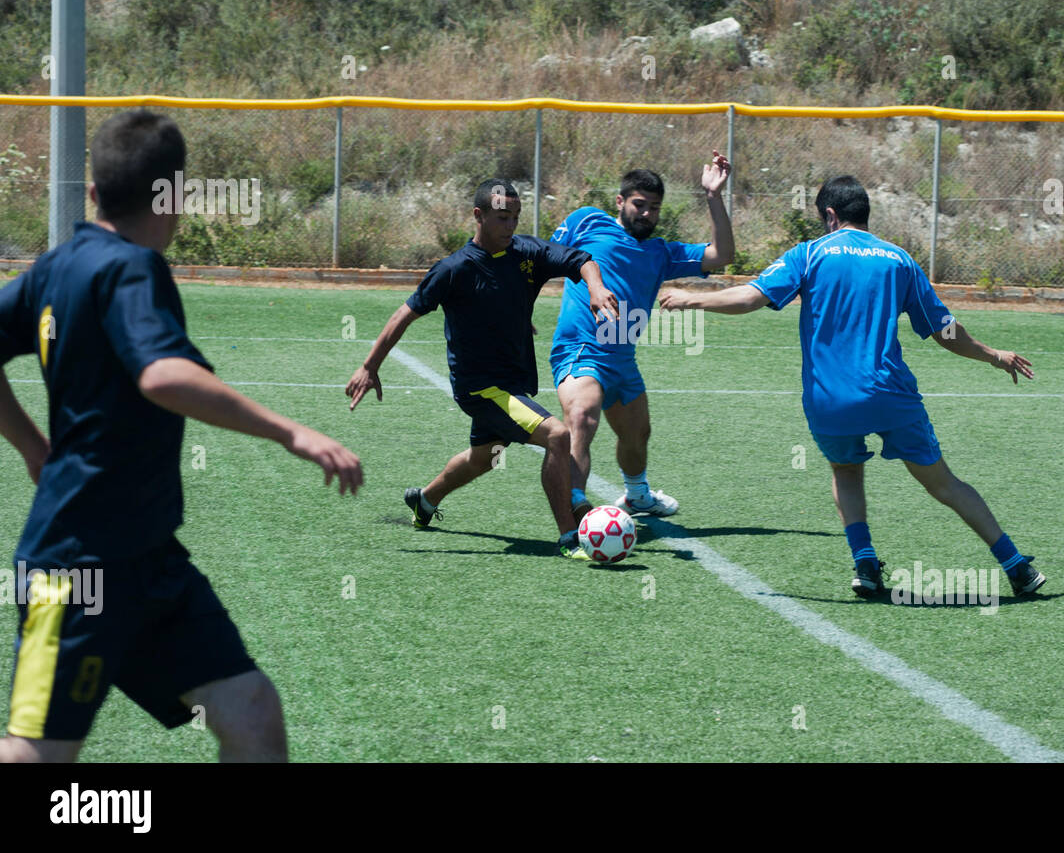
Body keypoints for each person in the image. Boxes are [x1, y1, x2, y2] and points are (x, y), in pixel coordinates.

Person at [0, 110, 363, 763]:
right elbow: (163, 374)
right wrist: (290, 432)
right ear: (174, 196)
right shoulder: (134, 269)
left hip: (148, 564)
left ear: (92, 192)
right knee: (36, 752)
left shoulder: (57, 266)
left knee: (250, 707)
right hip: (74, 567)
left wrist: (33, 448)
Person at [659, 175, 1046, 599]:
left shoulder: (809, 254)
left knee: (846, 470)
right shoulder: (899, 260)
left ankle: (865, 564)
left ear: (829, 215)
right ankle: (1015, 565)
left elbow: (749, 298)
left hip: (831, 399)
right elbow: (945, 331)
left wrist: (692, 297)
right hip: (890, 394)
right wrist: (994, 355)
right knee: (944, 484)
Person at [346, 179, 620, 559]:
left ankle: (424, 500)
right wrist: (369, 366)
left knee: (485, 457)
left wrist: (595, 286)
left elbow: (581, 259)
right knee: (557, 435)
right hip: (480, 388)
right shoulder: (453, 269)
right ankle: (570, 537)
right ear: (479, 216)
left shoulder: (526, 253)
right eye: (502, 218)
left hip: (512, 385)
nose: (510, 226)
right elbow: (405, 314)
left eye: (515, 218)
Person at [549, 154, 733, 523]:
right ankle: (575, 518)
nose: (646, 213)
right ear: (620, 202)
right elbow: (541, 258)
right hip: (581, 348)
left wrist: (713, 197)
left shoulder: (661, 252)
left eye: (654, 208)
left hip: (622, 359)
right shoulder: (587, 221)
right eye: (639, 205)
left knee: (636, 435)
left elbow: (722, 255)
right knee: (582, 418)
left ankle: (637, 496)